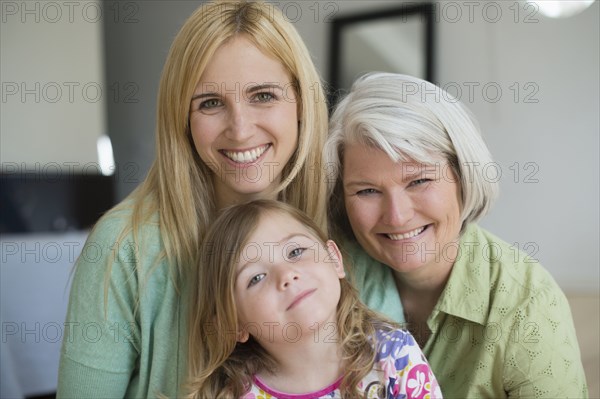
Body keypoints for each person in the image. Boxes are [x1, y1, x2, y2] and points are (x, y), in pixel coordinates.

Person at [57, 1, 329, 397]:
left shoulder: (342, 226)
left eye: (264, 95)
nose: (240, 130)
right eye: (211, 103)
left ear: (302, 103)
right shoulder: (124, 247)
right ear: (182, 119)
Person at [324, 72, 588, 398]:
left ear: (463, 176)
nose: (397, 215)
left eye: (419, 181)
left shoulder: (527, 303)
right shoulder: (326, 278)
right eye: (366, 190)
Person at [186, 199, 442, 399]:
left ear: (334, 259)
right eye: (256, 278)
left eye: (296, 251)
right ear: (233, 324)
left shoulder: (395, 356)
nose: (286, 275)